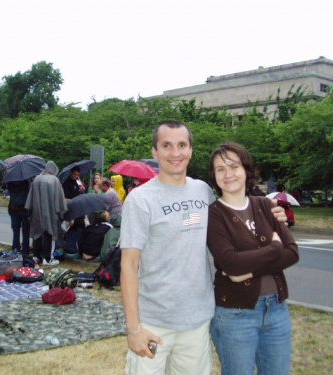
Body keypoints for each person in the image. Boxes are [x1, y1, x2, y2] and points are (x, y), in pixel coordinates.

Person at [121, 121, 288, 375]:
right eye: (167, 145)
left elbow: (237, 218)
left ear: (190, 150)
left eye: (182, 145)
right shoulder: (140, 199)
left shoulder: (203, 192)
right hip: (153, 322)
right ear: (155, 152)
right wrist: (134, 328)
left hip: (197, 323)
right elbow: (129, 265)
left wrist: (272, 214)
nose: (175, 153)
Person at [206, 141, 299, 375]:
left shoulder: (266, 205)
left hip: (276, 309)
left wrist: (246, 271)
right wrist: (273, 249)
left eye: (234, 166)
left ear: (246, 170)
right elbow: (230, 262)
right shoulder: (214, 214)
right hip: (235, 314)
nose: (228, 174)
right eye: (220, 169)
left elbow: (292, 252)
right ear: (214, 176)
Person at [25, 161, 67, 265]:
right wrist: (61, 213)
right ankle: (48, 258)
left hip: (37, 212)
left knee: (37, 233)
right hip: (51, 212)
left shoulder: (36, 179)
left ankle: (36, 256)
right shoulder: (54, 180)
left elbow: (30, 200)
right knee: (50, 233)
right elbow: (60, 199)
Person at [7, 179, 31, 255]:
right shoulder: (26, 181)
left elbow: (9, 193)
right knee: (26, 232)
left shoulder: (10, 181)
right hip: (24, 209)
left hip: (14, 208)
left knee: (15, 230)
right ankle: (26, 251)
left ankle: (15, 248)